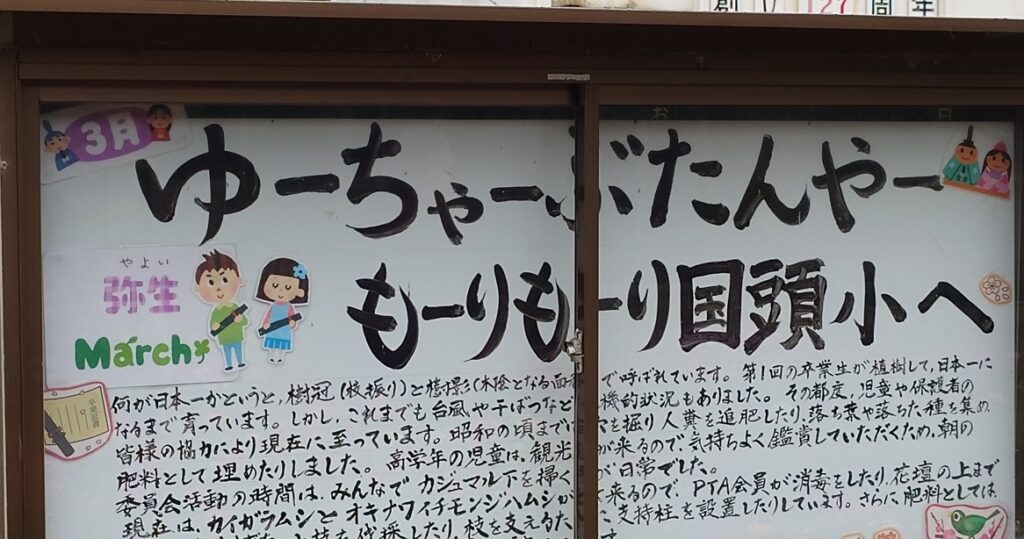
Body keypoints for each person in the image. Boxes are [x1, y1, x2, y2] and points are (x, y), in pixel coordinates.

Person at [193, 250, 248, 372]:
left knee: (238, 349)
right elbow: (212, 324)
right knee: (227, 351)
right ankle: (229, 364)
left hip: (237, 336)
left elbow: (245, 322)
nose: (218, 288)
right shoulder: (216, 311)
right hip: (224, 338)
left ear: (239, 280)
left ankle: (240, 362)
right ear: (197, 287)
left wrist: (240, 319)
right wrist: (214, 326)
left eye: (224, 280)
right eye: (211, 282)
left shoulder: (234, 306)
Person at [255, 258, 309, 364]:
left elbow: (292, 317)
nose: (281, 291)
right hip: (272, 328)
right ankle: (271, 356)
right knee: (272, 344)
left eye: (288, 287)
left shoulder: (289, 307)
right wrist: (265, 323)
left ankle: (280, 356)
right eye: (275, 285)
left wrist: (292, 324)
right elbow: (268, 315)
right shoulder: (273, 306)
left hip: (284, 329)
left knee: (281, 345)